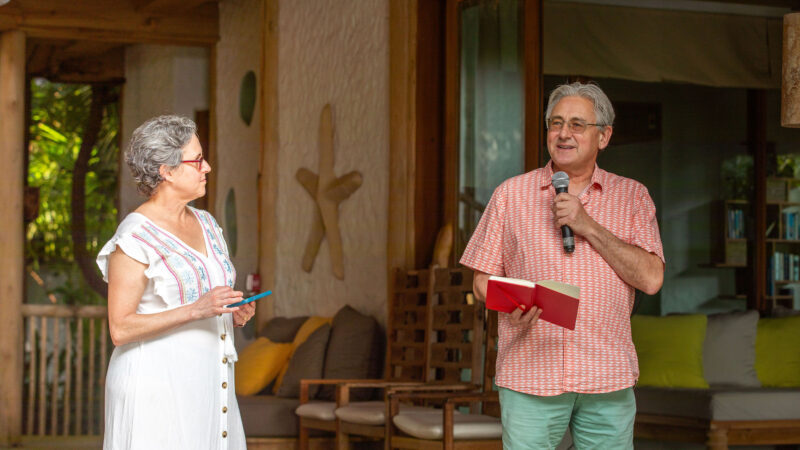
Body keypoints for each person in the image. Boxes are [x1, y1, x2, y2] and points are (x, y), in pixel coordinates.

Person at [460, 82, 665, 449]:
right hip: (530, 374)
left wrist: (587, 225)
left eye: (577, 124)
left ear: (604, 136)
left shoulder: (633, 196)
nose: (563, 134)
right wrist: (512, 305)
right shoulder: (511, 194)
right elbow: (480, 281)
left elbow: (651, 279)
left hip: (607, 375)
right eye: (556, 124)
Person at [96, 115, 255, 449]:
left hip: (210, 384)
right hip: (156, 388)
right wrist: (196, 310)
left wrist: (231, 311)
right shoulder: (135, 236)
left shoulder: (208, 223)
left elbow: (209, 301)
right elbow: (120, 329)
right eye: (197, 160)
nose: (207, 167)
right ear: (166, 171)